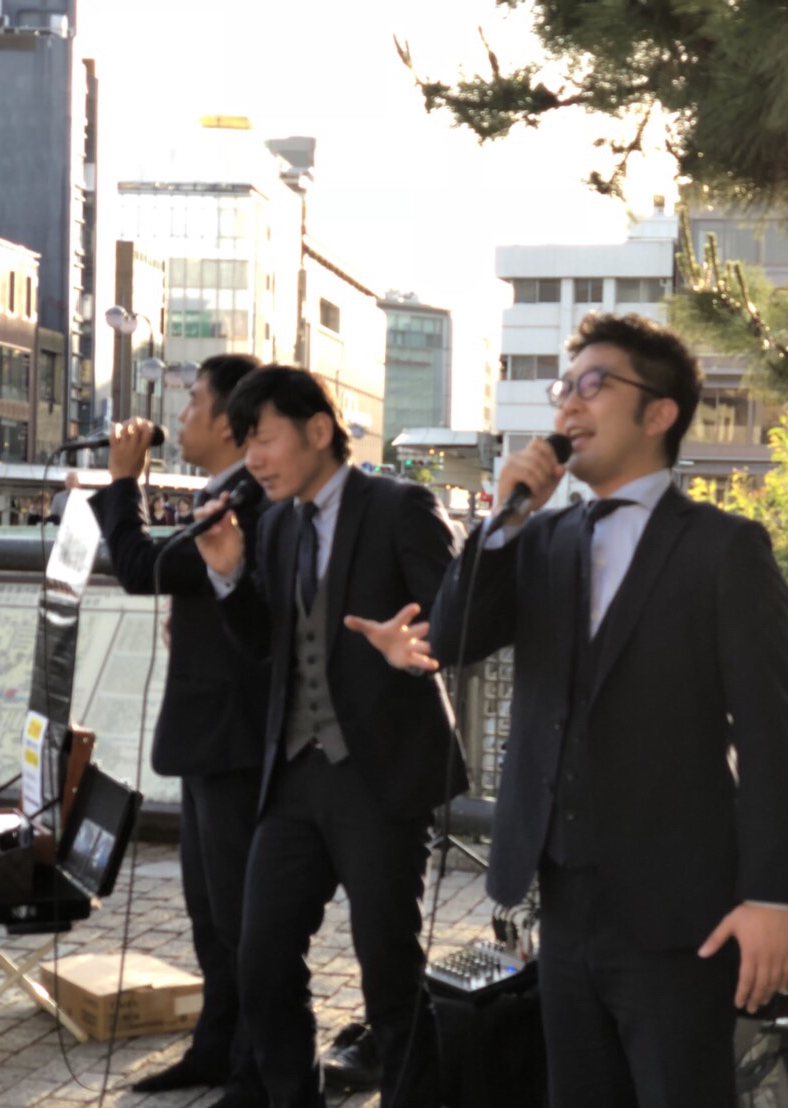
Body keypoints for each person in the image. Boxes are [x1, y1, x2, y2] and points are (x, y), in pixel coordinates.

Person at [351, 313, 788, 1108]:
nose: (569, 404)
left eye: (594, 385)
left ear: (659, 412)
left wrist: (773, 896)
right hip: (561, 901)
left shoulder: (724, 548)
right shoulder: (541, 539)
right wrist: (501, 521)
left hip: (679, 911)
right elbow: (454, 638)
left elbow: (769, 736)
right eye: (564, 387)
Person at [192, 365, 463, 1108]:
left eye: (264, 438)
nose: (253, 459)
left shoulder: (400, 506)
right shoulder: (277, 525)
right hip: (295, 776)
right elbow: (269, 644)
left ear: (318, 430)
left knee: (388, 972)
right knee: (261, 960)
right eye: (245, 443)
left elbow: (457, 614)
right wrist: (228, 575)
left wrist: (414, 644)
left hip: (380, 775)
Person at [87, 354, 270, 1108]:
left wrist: (123, 481)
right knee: (208, 911)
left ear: (230, 422)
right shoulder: (224, 492)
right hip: (207, 737)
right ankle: (216, 1049)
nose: (181, 415)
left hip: (233, 739)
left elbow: (140, 567)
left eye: (194, 401)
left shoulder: (247, 500)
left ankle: (255, 1072)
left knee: (240, 917)